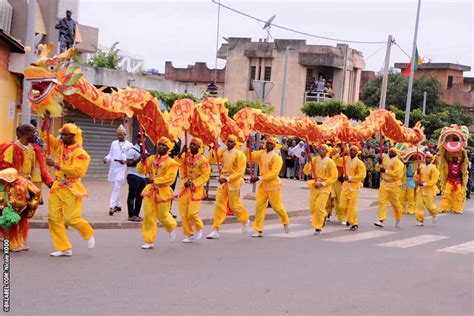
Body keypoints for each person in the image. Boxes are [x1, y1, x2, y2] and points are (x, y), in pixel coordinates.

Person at [42, 123, 95, 257]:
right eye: (62, 134)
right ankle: (64, 248)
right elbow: (46, 136)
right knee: (54, 218)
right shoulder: (60, 145)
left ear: (74, 136)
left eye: (66, 135)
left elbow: (77, 171)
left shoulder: (81, 153)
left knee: (71, 219)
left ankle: (88, 233)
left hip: (71, 188)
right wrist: (45, 121)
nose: (63, 137)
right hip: (57, 187)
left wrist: (55, 164)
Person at [0, 124, 53, 251]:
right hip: (13, 187)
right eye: (32, 133)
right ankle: (11, 243)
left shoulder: (33, 150)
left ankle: (19, 241)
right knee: (11, 215)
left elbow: (41, 169)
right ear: (25, 134)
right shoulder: (12, 148)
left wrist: (50, 183)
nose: (35, 136)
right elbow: (4, 168)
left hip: (27, 187)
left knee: (23, 215)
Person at [137, 136, 178, 249]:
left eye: (163, 145)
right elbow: (140, 170)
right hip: (150, 191)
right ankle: (149, 241)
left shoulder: (172, 163)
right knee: (149, 215)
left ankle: (171, 227)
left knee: (163, 215)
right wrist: (142, 161)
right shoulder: (151, 159)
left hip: (163, 192)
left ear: (168, 148)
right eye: (159, 144)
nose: (160, 146)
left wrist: (155, 180)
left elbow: (170, 178)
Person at [207, 135, 249, 239]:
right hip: (223, 182)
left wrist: (228, 178)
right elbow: (212, 160)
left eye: (231, 142)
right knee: (219, 205)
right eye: (228, 141)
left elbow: (240, 172)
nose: (229, 143)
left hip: (233, 182)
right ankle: (215, 229)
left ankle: (245, 220)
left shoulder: (240, 155)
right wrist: (213, 149)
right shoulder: (224, 151)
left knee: (234, 205)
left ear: (235, 143)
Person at [248, 137, 289, 237]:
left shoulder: (277, 158)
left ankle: (285, 221)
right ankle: (258, 229)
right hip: (262, 186)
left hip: (273, 186)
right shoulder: (262, 153)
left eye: (271, 144)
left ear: (274, 146)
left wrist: (258, 177)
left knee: (277, 207)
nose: (269, 145)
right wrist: (248, 145)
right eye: (268, 143)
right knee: (259, 206)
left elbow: (274, 174)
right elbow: (249, 156)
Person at [176, 138, 210, 243]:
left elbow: (205, 176)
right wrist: (182, 151)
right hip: (184, 187)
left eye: (195, 145)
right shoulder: (185, 155)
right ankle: (188, 233)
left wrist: (193, 183)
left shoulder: (203, 160)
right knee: (184, 213)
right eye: (191, 144)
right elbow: (176, 163)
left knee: (192, 213)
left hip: (196, 188)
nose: (192, 146)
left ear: (199, 148)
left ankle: (199, 227)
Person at [303, 144, 338, 235]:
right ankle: (324, 214)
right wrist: (308, 162)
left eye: (323, 149)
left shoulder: (330, 162)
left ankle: (318, 227)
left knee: (319, 207)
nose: (321, 150)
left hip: (325, 188)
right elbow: (306, 171)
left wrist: (323, 183)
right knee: (312, 208)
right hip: (315, 186)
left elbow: (334, 177)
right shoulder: (314, 160)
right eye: (320, 149)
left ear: (327, 151)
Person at [103, 125, 133, 216]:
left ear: (125, 134)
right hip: (113, 168)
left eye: (121, 135)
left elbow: (130, 157)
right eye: (118, 135)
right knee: (114, 187)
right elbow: (110, 155)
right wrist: (106, 159)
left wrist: (125, 161)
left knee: (116, 186)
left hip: (121, 168)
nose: (120, 136)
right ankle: (118, 205)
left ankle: (111, 206)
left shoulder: (129, 145)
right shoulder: (114, 143)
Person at [374, 147, 404, 228]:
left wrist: (386, 171)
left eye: (393, 151)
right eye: (390, 151)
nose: (390, 152)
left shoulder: (399, 163)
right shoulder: (385, 159)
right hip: (384, 183)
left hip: (394, 185)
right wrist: (379, 163)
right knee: (382, 202)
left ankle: (398, 217)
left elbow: (397, 174)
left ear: (396, 153)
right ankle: (381, 220)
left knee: (395, 203)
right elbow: (377, 169)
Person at [339, 145, 366, 231]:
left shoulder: (359, 163)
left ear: (357, 152)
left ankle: (354, 223)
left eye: (354, 151)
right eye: (351, 150)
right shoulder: (345, 159)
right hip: (345, 186)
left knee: (352, 206)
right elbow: (335, 161)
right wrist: (341, 152)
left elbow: (362, 175)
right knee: (342, 205)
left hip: (354, 187)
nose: (352, 152)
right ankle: (349, 218)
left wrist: (351, 178)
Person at [125, 134, 147, 222]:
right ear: (136, 138)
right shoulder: (132, 150)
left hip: (142, 176)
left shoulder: (145, 150)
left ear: (145, 139)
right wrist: (139, 159)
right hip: (133, 175)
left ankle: (136, 214)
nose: (141, 139)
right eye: (139, 137)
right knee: (132, 196)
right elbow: (128, 163)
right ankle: (131, 215)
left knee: (140, 197)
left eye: (142, 137)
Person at [414, 152, 440, 226]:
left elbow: (434, 180)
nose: (427, 159)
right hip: (420, 190)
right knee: (419, 206)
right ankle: (420, 220)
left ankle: (434, 214)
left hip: (429, 191)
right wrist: (417, 173)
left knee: (430, 206)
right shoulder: (421, 166)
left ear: (431, 159)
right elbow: (415, 178)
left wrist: (424, 184)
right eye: (426, 158)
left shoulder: (434, 168)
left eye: (429, 158)